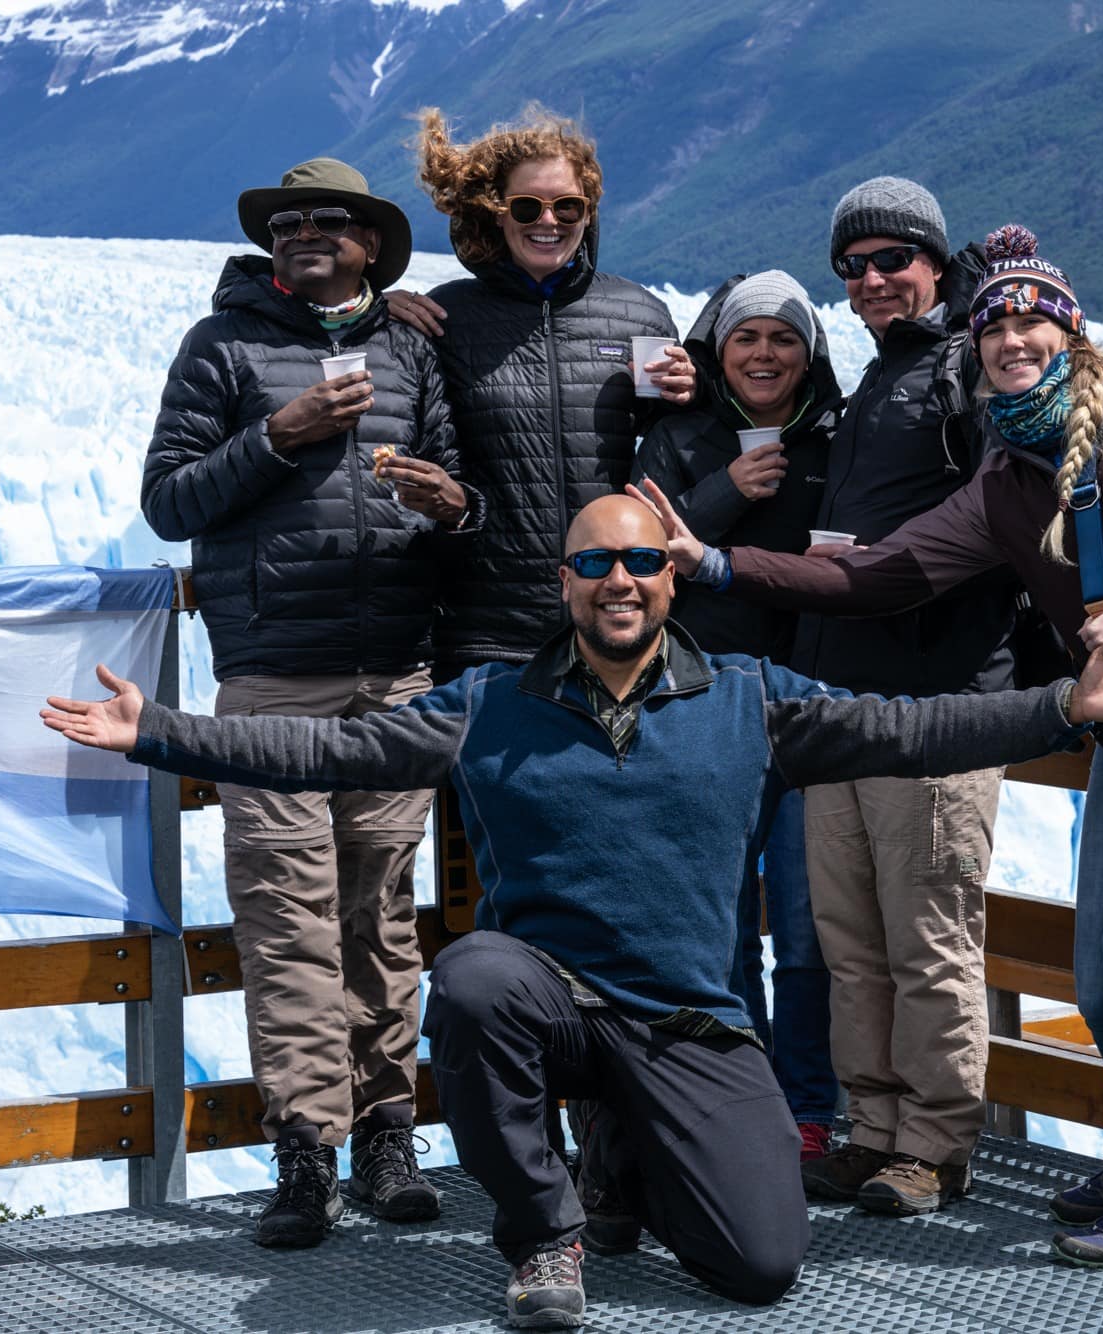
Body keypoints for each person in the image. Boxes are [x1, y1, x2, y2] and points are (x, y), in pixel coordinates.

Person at [43, 495, 1103, 1327]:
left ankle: (624, 1164)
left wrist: (1062, 705)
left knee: (758, 1264)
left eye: (642, 558)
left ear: (670, 578)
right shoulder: (487, 701)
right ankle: (545, 1231)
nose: (620, 579)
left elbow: (909, 728)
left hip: (686, 1019)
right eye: (596, 563)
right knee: (475, 977)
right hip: (548, 1008)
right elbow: (332, 745)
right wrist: (157, 732)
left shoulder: (752, 700)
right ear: (565, 583)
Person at [638, 222, 1103, 1267]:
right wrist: (716, 565)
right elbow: (879, 573)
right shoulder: (1006, 481)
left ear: (1068, 327)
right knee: (1098, 974)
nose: (1010, 333)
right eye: (993, 319)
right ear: (976, 340)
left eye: (1030, 314)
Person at [139, 157, 479, 1249]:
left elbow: (461, 492)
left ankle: (387, 1132)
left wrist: (448, 500)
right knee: (287, 917)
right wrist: (273, 437)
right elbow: (166, 499)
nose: (302, 234)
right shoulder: (221, 347)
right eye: (285, 223)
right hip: (272, 675)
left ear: (370, 241)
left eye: (327, 222)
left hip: (393, 673)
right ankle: (305, 1150)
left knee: (378, 915)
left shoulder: (410, 348)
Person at [743, 176, 1020, 1218]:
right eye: (851, 266)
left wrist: (891, 563)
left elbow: (1008, 511)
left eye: (890, 260)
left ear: (936, 264)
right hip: (844, 697)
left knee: (927, 936)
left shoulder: (969, 366)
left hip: (934, 699)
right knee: (853, 941)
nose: (868, 280)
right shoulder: (884, 375)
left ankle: (936, 1143)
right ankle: (871, 1129)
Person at [631, 271, 841, 1161]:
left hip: (808, 709)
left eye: (784, 338)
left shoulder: (839, 438)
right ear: (718, 350)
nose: (764, 354)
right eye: (747, 338)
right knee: (718, 924)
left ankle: (810, 1107)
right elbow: (638, 551)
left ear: (810, 353)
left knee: (804, 925)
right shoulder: (676, 437)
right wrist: (726, 489)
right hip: (703, 703)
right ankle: (742, 1091)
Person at [383, 104, 696, 673]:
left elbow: (666, 454)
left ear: (588, 211)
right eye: (527, 206)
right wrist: (373, 313)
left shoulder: (638, 314)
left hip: (614, 617)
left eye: (567, 206)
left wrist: (687, 395)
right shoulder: (446, 319)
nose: (547, 220)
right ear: (496, 214)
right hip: (487, 625)